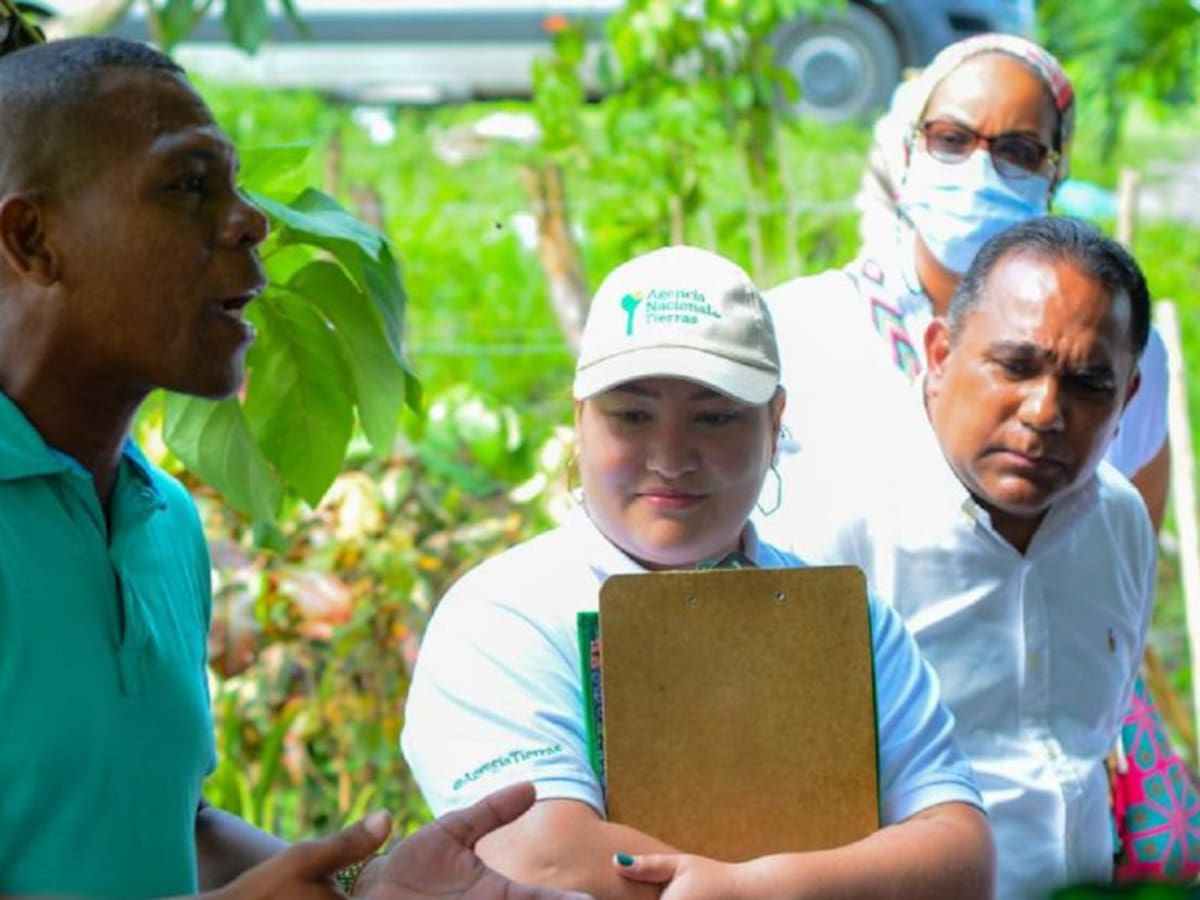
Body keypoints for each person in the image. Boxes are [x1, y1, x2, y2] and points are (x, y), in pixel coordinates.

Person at [0, 35, 588, 900]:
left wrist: (366, 886)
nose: (251, 221)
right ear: (33, 239)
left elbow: (173, 822)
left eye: (234, 186)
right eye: (188, 185)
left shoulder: (162, 521)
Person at [401, 244, 995, 899]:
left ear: (774, 423)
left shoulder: (847, 618)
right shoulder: (502, 617)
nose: (671, 457)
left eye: (714, 418)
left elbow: (962, 857)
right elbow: (544, 860)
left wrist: (760, 889)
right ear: (580, 419)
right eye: (632, 416)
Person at [775, 216, 1158, 899]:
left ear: (1127, 395)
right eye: (1015, 366)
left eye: (1088, 383)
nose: (1044, 411)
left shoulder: (1120, 521)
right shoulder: (834, 529)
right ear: (939, 352)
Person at [765, 32, 1171, 529]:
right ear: (909, 150)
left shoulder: (1115, 347)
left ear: (1055, 172)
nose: (979, 171)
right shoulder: (800, 326)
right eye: (951, 139)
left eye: (1018, 150)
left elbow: (1132, 528)